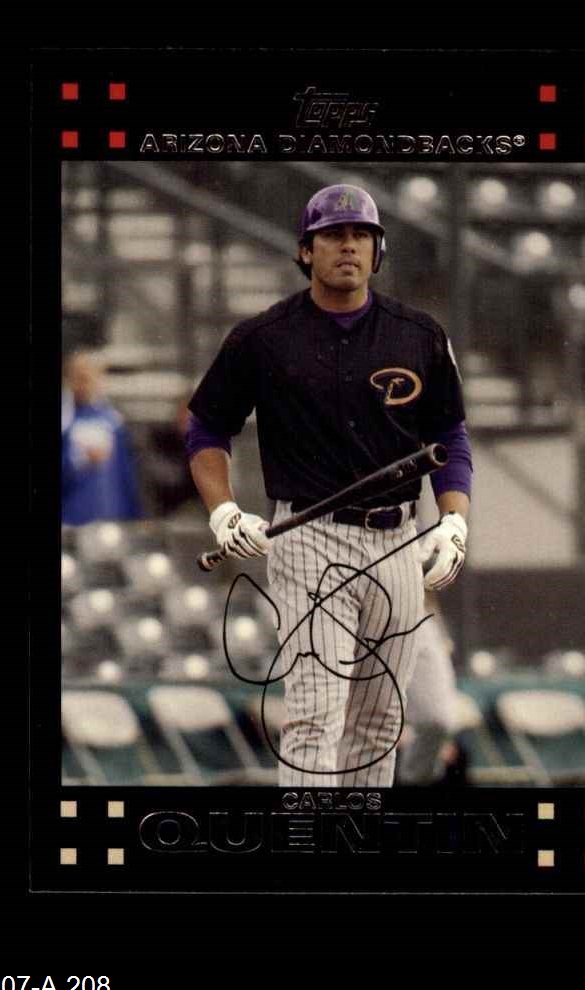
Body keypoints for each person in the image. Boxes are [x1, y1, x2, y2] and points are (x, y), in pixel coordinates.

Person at [186, 184, 473, 787]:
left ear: (378, 251)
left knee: (380, 721)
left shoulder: (418, 334)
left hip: (398, 540)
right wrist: (224, 512)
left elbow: (449, 433)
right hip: (308, 533)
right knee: (316, 715)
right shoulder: (263, 337)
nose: (349, 246)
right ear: (305, 251)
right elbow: (207, 427)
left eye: (361, 235)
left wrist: (453, 521)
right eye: (334, 235)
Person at [61, 350, 143, 526]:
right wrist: (79, 461)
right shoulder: (65, 421)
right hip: (72, 517)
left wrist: (136, 516)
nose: (84, 384)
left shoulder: (113, 421)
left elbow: (126, 475)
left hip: (109, 515)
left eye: (89, 377)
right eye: (79, 377)